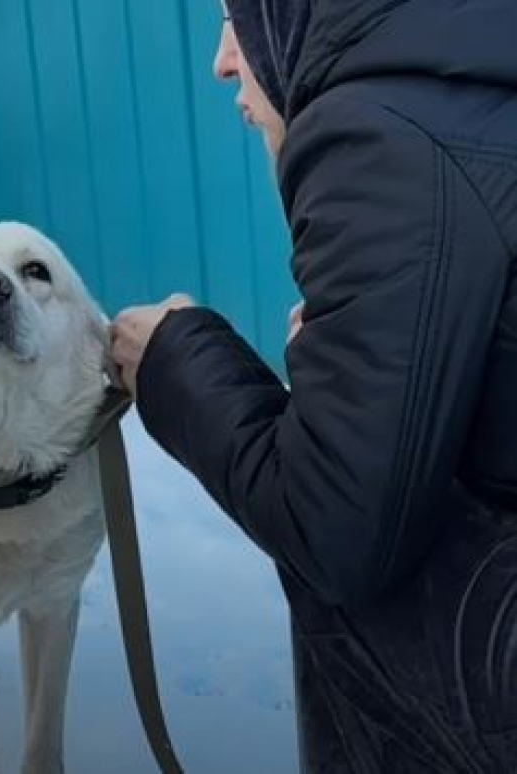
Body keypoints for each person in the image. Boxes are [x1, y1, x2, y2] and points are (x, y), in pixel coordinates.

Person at [110, 1, 517, 772]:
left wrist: (174, 358)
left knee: (358, 559)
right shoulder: (476, 85)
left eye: (235, 13)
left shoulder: (378, 132)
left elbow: (340, 530)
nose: (223, 60)